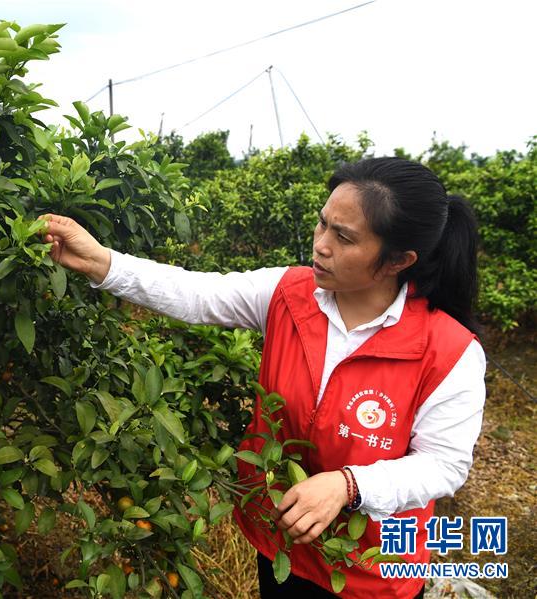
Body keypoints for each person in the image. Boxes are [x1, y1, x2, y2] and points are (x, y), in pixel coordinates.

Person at [38, 157, 485, 599]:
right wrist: (101, 262)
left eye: (343, 237)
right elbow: (198, 293)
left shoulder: (449, 351)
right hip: (280, 541)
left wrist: (349, 485)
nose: (321, 245)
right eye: (322, 224)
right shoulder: (291, 294)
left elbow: (444, 464)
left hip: (369, 567)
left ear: (398, 260)